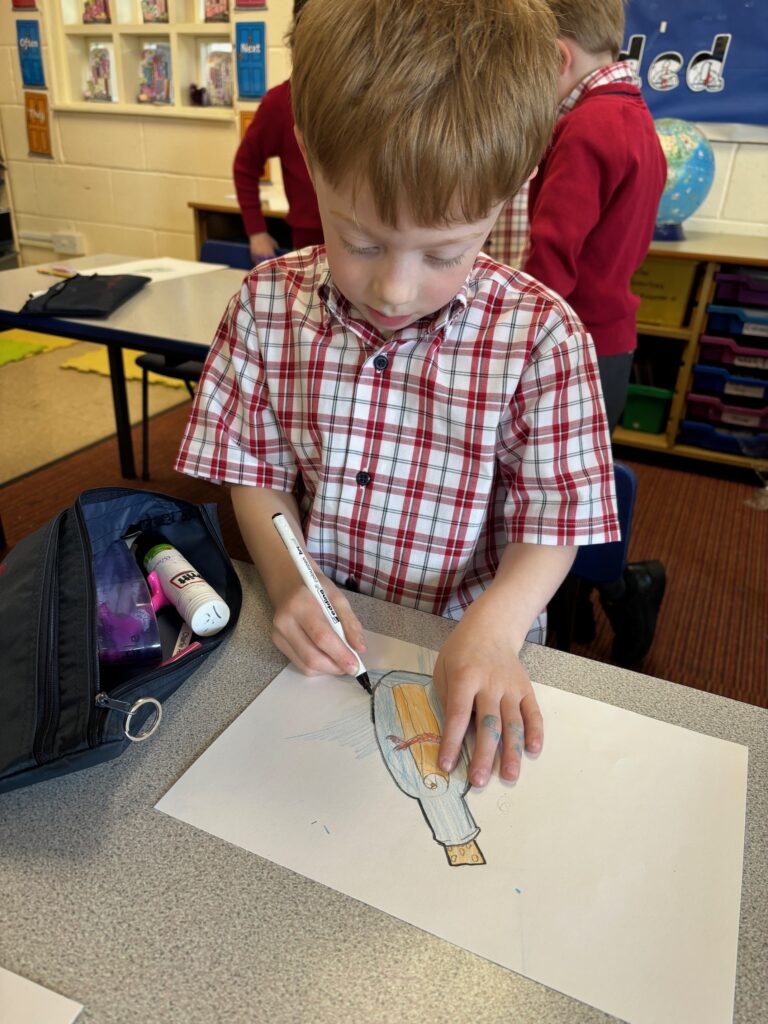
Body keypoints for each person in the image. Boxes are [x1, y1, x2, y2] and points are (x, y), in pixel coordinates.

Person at [176, 0, 620, 790]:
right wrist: (286, 580)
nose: (394, 286)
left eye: (444, 252)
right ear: (308, 158)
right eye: (362, 240)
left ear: (515, 185)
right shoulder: (266, 305)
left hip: (473, 644)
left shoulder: (543, 337)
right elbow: (255, 472)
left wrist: (494, 630)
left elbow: (553, 523)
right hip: (323, 644)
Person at [522, 0, 668, 663]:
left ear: (558, 55)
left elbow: (551, 258)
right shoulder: (636, 117)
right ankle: (576, 611)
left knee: (554, 494)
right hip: (610, 341)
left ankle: (622, 591)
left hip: (573, 343)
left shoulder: (585, 127)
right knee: (576, 488)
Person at [232, 0, 323, 260]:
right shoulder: (281, 103)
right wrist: (256, 231)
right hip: (308, 242)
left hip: (364, 239)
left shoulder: (364, 101)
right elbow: (244, 167)